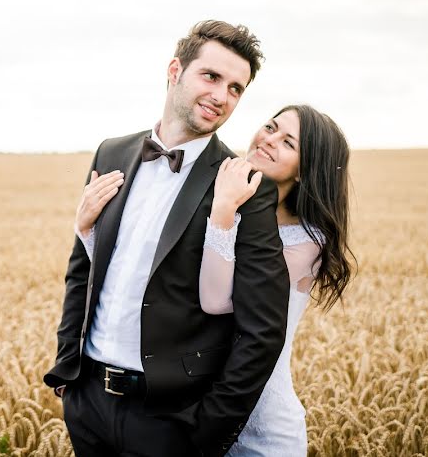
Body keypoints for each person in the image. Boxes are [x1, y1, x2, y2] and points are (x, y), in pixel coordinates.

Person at [44, 20, 290, 457]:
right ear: (175, 70)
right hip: (88, 405)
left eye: (236, 88)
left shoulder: (246, 185)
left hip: (171, 422)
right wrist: (68, 370)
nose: (222, 96)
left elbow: (263, 331)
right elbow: (82, 268)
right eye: (211, 77)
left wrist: (205, 431)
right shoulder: (112, 153)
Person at [77, 104, 355, 455]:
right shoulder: (233, 196)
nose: (269, 140)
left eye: (288, 143)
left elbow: (215, 301)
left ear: (306, 169)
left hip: (257, 417)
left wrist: (223, 212)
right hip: (192, 406)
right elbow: (151, 278)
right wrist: (87, 230)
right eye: (270, 127)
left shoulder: (306, 243)